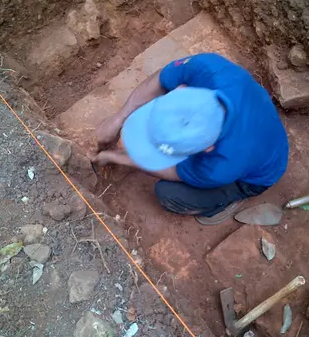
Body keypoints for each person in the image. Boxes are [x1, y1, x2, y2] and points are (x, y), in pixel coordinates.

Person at [91, 53, 289, 225]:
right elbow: (161, 79)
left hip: (256, 176)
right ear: (182, 90)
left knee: (169, 194)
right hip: (259, 129)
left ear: (207, 149)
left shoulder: (220, 167)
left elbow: (174, 172)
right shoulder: (209, 68)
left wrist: (119, 157)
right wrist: (118, 119)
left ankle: (225, 200)